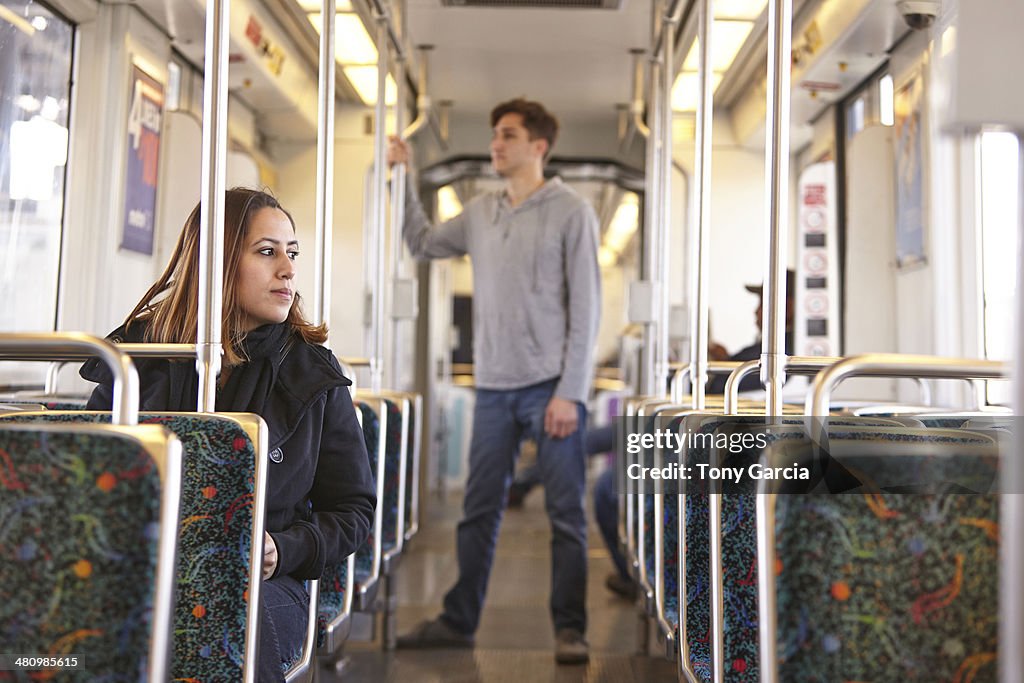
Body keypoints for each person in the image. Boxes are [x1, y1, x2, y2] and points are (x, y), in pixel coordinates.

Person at [79, 188, 376, 683]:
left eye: (292, 252)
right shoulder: (136, 358)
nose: (287, 269)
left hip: (266, 581)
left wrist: (284, 547)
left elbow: (353, 511)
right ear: (216, 262)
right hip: (137, 564)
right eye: (267, 251)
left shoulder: (310, 373)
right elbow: (90, 478)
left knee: (223, 610)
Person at [389, 98, 601, 664]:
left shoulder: (572, 212)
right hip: (493, 390)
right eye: (494, 134)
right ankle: (458, 622)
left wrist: (570, 392)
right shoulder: (481, 213)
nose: (496, 144)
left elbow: (587, 310)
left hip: (551, 388)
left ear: (539, 146)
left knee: (566, 513)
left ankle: (571, 629)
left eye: (507, 135)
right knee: (478, 511)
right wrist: (401, 177)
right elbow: (422, 243)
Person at [706, 269, 796, 394]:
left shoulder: (775, 352)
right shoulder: (783, 347)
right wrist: (726, 359)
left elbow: (721, 384)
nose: (756, 311)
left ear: (787, 307)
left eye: (762, 303)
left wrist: (727, 363)